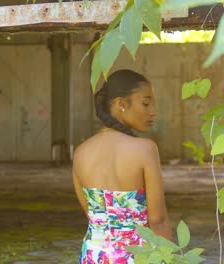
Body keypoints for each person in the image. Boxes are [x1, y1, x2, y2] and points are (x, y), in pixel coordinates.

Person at [72, 69, 173, 263]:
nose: (153, 111)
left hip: (93, 256)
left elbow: (93, 217)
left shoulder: (80, 153)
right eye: (145, 103)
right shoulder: (145, 150)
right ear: (121, 104)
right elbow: (157, 221)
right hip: (138, 257)